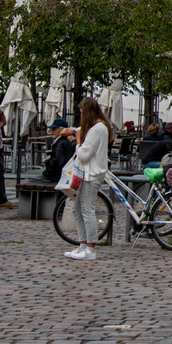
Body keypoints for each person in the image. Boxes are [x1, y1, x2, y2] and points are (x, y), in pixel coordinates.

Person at [64, 97, 111, 260]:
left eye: (82, 112)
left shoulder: (97, 129)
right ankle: (83, 244)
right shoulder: (99, 128)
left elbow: (83, 154)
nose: (81, 115)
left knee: (87, 209)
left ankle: (90, 248)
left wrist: (78, 141)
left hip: (91, 174)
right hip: (89, 173)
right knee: (77, 208)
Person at [38, 118, 76, 183]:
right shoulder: (64, 141)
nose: (52, 131)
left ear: (62, 130)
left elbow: (58, 162)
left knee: (38, 180)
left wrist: (47, 162)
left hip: (57, 176)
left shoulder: (61, 143)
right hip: (62, 174)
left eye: (54, 129)